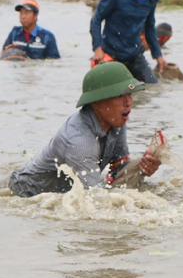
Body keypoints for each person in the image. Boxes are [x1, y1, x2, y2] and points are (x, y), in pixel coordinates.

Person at [9, 62, 160, 197]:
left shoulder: (117, 120)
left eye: (130, 95)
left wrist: (141, 167)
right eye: (120, 96)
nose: (128, 103)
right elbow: (96, 198)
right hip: (27, 191)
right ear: (96, 104)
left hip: (64, 189)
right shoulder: (79, 141)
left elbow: (118, 169)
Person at [91, 0, 167, 83]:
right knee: (116, 95)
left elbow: (149, 27)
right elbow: (96, 19)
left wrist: (158, 55)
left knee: (152, 88)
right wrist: (97, 48)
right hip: (112, 53)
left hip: (135, 55)